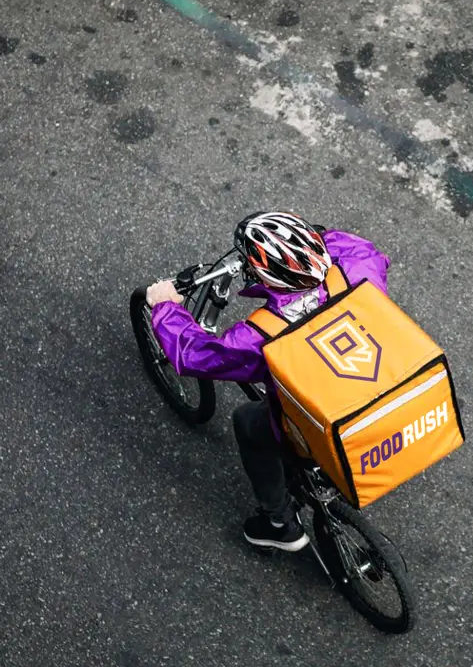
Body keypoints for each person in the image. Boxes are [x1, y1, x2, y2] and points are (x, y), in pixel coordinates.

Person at [146, 211, 390, 552]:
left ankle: (278, 524)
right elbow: (355, 246)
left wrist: (165, 307)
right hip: (380, 384)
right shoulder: (360, 266)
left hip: (324, 414)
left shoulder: (262, 335)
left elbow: (195, 355)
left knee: (249, 421)